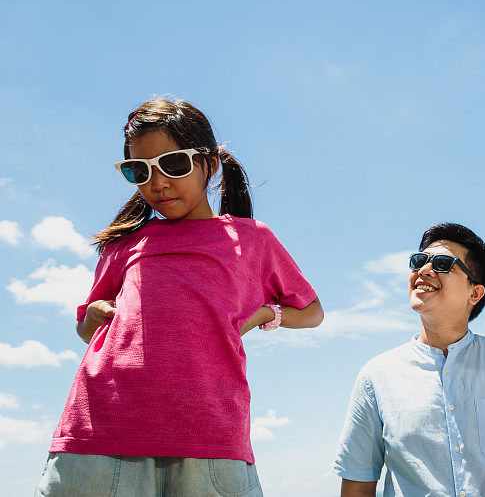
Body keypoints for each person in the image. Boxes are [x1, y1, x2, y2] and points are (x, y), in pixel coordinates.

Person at [35, 98, 324, 496]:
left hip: (209, 438)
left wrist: (263, 314)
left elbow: (311, 312)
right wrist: (92, 317)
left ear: (210, 163)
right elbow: (88, 327)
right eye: (140, 170)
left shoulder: (252, 238)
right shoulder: (125, 245)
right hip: (99, 433)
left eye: (173, 164)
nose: (157, 183)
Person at [334, 223, 485, 497]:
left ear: (475, 293)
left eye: (444, 263)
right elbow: (358, 482)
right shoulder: (376, 376)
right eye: (419, 261)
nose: (424, 270)